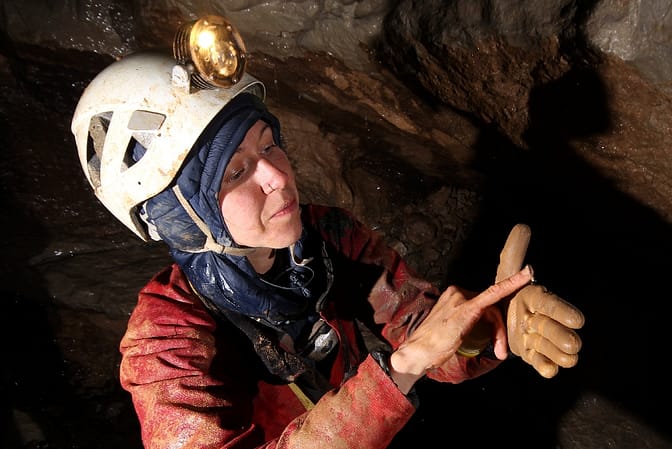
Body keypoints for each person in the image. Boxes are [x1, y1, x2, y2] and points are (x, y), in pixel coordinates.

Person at [71, 49, 584, 449]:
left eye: (268, 144)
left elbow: (415, 323)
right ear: (180, 215)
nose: (278, 175)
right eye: (236, 171)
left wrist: (485, 328)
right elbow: (411, 354)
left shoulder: (325, 236)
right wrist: (401, 368)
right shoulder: (166, 342)